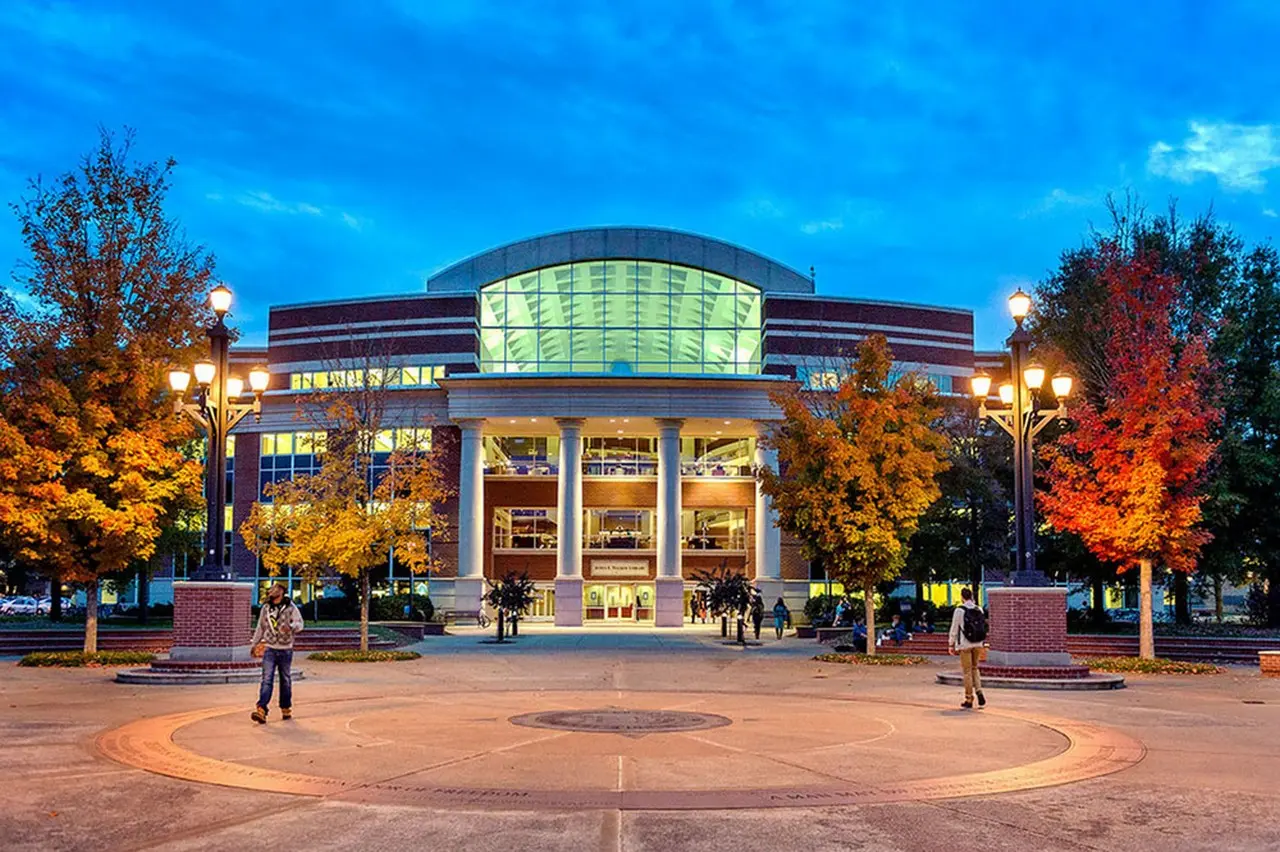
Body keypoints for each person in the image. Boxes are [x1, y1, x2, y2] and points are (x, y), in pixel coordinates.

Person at [250, 582, 304, 724]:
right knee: (267, 680)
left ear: (281, 591)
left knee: (285, 680)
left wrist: (291, 627)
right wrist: (254, 644)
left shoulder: (290, 607)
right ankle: (261, 709)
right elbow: (260, 627)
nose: (271, 590)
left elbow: (300, 624)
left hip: (285, 649)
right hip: (270, 648)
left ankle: (286, 708)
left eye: (274, 588)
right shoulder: (266, 608)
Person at [948, 587, 987, 710]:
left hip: (965, 644)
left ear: (962, 597)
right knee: (975, 668)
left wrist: (951, 644)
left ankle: (969, 698)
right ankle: (979, 691)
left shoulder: (959, 610)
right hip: (978, 643)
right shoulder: (979, 609)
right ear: (971, 596)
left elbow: (954, 628)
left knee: (967, 672)